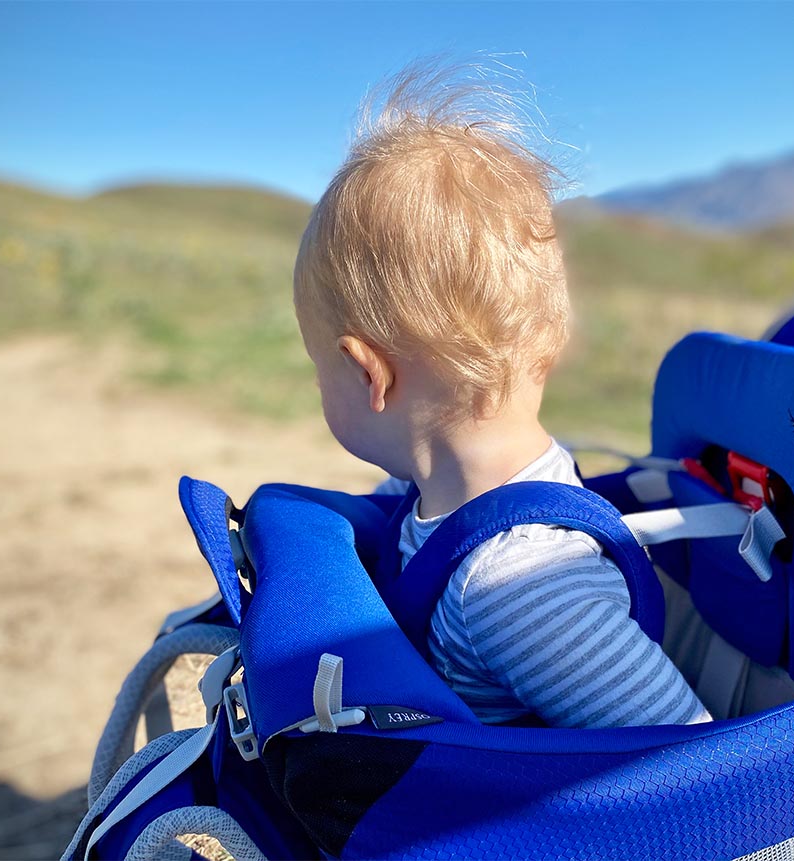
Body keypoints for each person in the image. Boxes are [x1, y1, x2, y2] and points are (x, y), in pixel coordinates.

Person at [292, 60, 710, 728]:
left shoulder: (519, 586)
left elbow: (690, 767)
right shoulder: (464, 498)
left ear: (369, 374)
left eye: (318, 369)